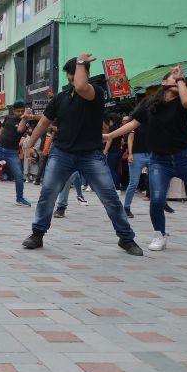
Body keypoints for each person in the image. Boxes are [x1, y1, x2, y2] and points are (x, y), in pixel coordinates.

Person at [22, 54, 142, 256]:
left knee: (110, 196)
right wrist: (30, 144)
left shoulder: (96, 93)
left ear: (84, 74)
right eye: (69, 79)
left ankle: (126, 238)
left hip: (90, 154)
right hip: (61, 153)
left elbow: (80, 86)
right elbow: (43, 122)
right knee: (48, 193)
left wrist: (80, 62)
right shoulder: (60, 98)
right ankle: (37, 234)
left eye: (75, 77)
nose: (72, 83)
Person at [104, 65, 187, 250]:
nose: (179, 80)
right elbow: (133, 124)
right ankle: (160, 235)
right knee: (156, 199)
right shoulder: (149, 103)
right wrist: (110, 136)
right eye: (174, 77)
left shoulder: (181, 102)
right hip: (159, 161)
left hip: (185, 158)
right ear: (163, 82)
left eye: (182, 79)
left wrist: (179, 80)